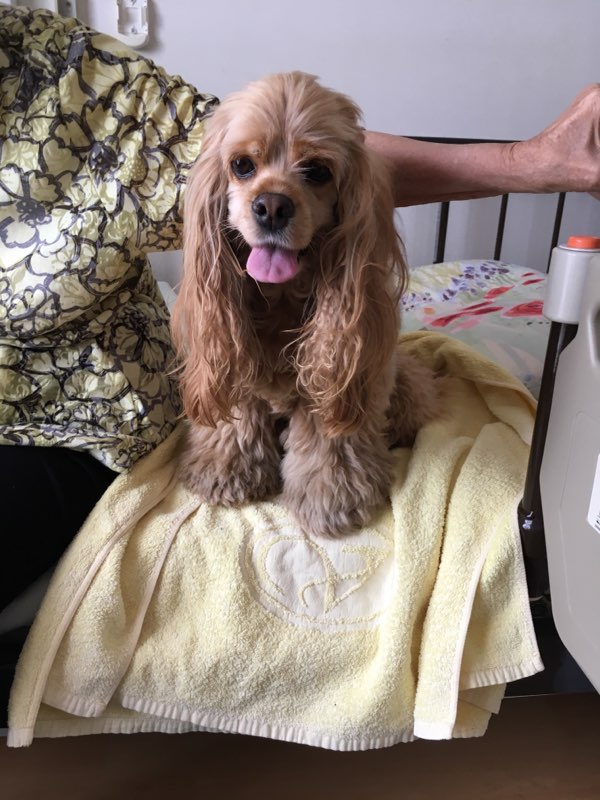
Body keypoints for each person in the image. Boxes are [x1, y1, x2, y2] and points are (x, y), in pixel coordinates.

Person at [1, 4, 599, 704]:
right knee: (230, 437)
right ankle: (241, 445)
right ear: (219, 180)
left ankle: (336, 452)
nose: (272, 197)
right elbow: (218, 356)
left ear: (347, 195)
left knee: (361, 435)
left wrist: (536, 162)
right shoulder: (216, 266)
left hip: (70, 422)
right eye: (245, 168)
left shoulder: (65, 68)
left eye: (313, 173)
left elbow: (352, 334)